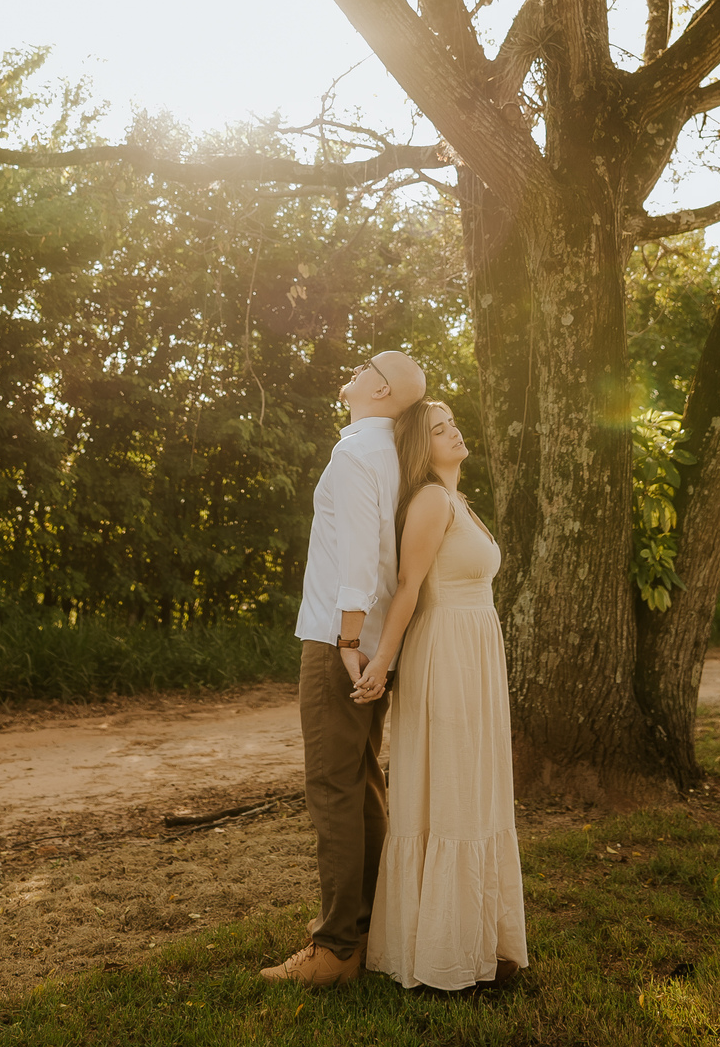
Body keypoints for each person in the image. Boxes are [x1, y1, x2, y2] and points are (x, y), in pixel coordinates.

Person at [259, 348, 426, 990]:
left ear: (380, 390)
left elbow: (360, 557)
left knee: (333, 785)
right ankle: (368, 923)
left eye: (365, 366)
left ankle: (335, 948)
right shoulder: (394, 454)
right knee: (361, 780)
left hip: (341, 640)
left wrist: (348, 638)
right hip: (375, 641)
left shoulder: (357, 453)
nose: (353, 370)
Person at [353, 398, 528, 992]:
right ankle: (439, 954)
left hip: (474, 653)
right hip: (445, 653)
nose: (453, 431)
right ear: (418, 448)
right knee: (451, 788)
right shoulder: (430, 499)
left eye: (453, 422)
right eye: (438, 428)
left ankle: (480, 942)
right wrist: (382, 661)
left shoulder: (459, 501)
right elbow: (408, 586)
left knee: (474, 788)